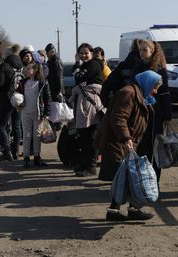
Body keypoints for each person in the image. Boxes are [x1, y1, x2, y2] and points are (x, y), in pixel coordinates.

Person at [95, 70, 162, 221]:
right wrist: (125, 137)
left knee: (130, 177)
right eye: (155, 87)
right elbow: (119, 118)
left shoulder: (140, 94)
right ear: (148, 83)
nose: (155, 91)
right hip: (119, 143)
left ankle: (131, 209)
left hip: (130, 142)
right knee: (124, 178)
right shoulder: (128, 93)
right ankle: (114, 211)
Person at [132, 39, 172, 183]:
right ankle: (142, 179)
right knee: (141, 146)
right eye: (140, 49)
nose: (141, 53)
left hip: (155, 112)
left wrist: (167, 115)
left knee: (155, 146)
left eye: (144, 50)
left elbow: (165, 92)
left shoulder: (159, 69)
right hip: (139, 112)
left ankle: (154, 179)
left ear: (152, 51)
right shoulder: (137, 67)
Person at [70, 43, 104, 177]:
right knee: (83, 135)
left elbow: (78, 77)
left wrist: (78, 71)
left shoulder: (94, 64)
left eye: (86, 53)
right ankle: (85, 164)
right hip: (83, 102)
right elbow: (77, 76)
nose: (84, 55)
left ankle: (91, 166)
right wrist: (77, 67)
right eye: (81, 53)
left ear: (91, 53)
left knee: (90, 136)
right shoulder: (84, 66)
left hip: (90, 103)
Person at [16, 63, 52, 168]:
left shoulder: (43, 83)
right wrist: (16, 102)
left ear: (35, 70)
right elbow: (17, 95)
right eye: (26, 69)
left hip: (38, 114)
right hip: (25, 113)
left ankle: (37, 157)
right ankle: (26, 158)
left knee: (37, 136)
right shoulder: (23, 83)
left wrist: (46, 113)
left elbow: (47, 99)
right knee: (27, 135)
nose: (26, 71)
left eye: (28, 69)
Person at [0, 43, 24, 161]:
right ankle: (15, 151)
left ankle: (6, 152)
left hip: (6, 100)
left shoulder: (4, 66)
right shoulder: (21, 65)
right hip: (19, 99)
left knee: (1, 125)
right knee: (17, 125)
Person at [100, 39, 142, 107]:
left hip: (123, 102)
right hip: (139, 102)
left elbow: (108, 84)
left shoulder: (122, 65)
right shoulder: (144, 65)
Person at [45, 43, 64, 131]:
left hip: (55, 90)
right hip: (51, 89)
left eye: (48, 52)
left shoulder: (56, 60)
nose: (47, 54)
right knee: (54, 109)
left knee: (56, 109)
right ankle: (55, 125)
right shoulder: (50, 61)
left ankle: (57, 125)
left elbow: (58, 76)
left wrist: (59, 90)